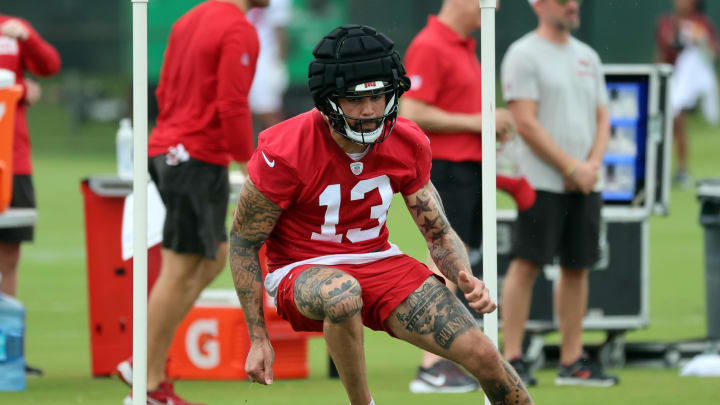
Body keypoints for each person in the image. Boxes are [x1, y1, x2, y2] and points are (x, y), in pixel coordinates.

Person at [230, 24, 535, 405]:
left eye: (380, 96)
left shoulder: (406, 140)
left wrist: (464, 275)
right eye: (356, 100)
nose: (371, 110)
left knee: (485, 354)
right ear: (329, 100)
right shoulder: (285, 148)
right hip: (302, 268)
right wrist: (259, 338)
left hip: (379, 260)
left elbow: (438, 233)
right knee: (343, 294)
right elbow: (243, 242)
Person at [114, 1, 268, 404]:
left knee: (213, 256)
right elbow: (232, 104)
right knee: (179, 266)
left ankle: (143, 364)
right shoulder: (238, 29)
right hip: (194, 157)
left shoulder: (189, 19)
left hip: (173, 149)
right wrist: (248, 163)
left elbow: (162, 89)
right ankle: (143, 385)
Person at [399, 0, 535, 394]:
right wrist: (479, 122)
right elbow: (413, 111)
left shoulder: (464, 46)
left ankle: (444, 359)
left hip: (469, 169)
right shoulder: (430, 44)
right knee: (445, 261)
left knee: (458, 264)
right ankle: (431, 364)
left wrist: (486, 125)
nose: (491, 10)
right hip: (445, 168)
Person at [499, 0, 618, 387]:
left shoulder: (589, 56)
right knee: (527, 263)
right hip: (541, 183)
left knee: (577, 266)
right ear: (539, 5)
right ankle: (511, 357)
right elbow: (526, 123)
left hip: (585, 182)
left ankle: (572, 360)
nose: (573, 5)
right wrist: (569, 167)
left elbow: (603, 118)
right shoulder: (523, 54)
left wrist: (590, 168)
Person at [0, 14, 61, 377]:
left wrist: (29, 39)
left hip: (13, 159)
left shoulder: (12, 27)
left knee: (10, 254)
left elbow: (50, 65)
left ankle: (8, 354)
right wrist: (22, 91)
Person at [655, 0, 719, 187]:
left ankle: (682, 169)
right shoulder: (665, 22)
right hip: (668, 78)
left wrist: (702, 40)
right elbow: (661, 51)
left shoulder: (702, 22)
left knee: (678, 119)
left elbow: (713, 52)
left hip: (689, 83)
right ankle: (657, 170)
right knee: (660, 125)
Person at [247, 0, 291, 133]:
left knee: (268, 112)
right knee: (247, 115)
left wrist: (278, 65)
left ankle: (283, 150)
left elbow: (281, 33)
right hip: (246, 57)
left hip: (265, 62)